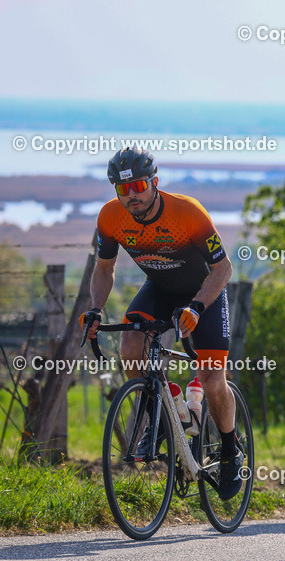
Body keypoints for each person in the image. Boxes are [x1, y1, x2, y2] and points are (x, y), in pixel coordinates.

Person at [82, 147, 242, 499]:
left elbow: (223, 269)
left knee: (213, 380)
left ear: (154, 182)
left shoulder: (187, 212)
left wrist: (198, 307)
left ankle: (231, 452)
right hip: (159, 289)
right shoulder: (110, 217)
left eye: (139, 185)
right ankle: (161, 413)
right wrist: (96, 309)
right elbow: (105, 269)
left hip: (204, 294)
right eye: (123, 189)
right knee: (130, 347)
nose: (132, 195)